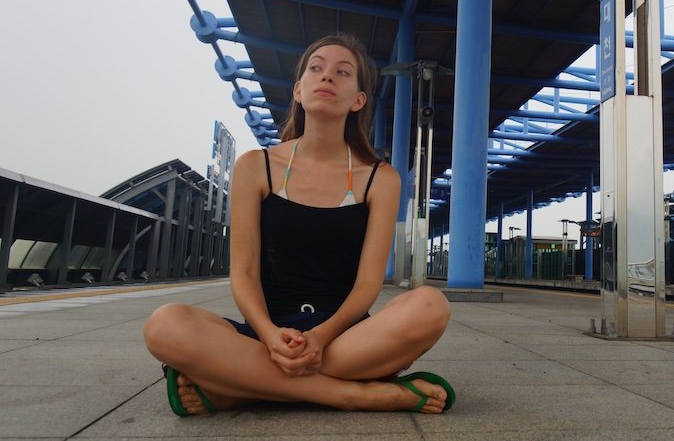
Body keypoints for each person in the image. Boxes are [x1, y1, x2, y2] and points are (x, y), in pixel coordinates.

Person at [143, 34, 454, 415]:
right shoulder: (256, 166)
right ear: (298, 90)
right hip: (266, 336)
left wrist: (321, 336)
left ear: (358, 100)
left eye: (343, 72)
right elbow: (243, 273)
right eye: (316, 68)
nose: (327, 77)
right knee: (165, 324)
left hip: (344, 336)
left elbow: (367, 285)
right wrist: (270, 335)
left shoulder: (380, 178)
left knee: (430, 305)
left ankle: (241, 388)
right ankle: (357, 394)